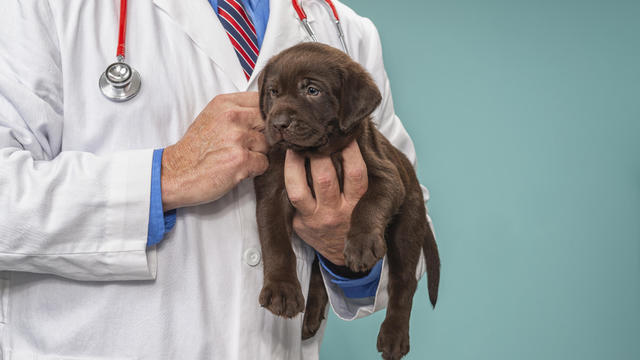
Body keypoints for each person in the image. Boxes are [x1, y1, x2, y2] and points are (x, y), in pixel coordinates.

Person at [0, 0, 431, 359]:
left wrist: (344, 251)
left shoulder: (343, 28)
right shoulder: (41, 7)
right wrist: (165, 175)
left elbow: (409, 215)